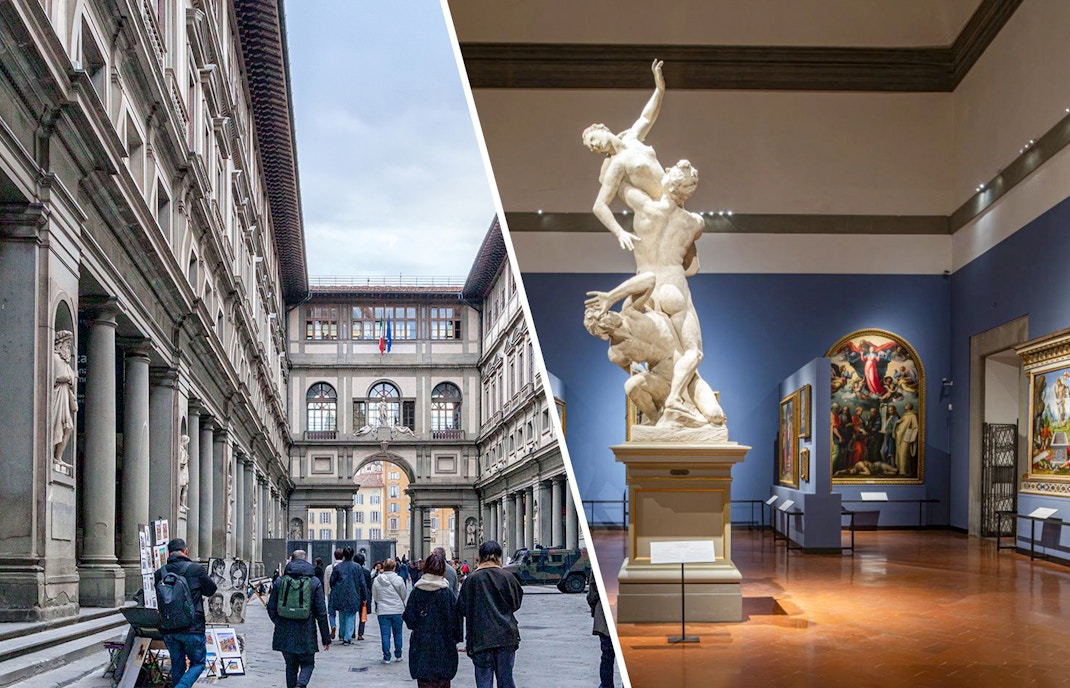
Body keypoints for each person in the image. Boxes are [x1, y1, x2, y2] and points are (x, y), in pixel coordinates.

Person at [582, 59, 666, 251]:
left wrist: (659, 89)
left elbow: (646, 117)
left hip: (673, 200)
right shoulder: (615, 165)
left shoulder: (631, 136)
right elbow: (599, 205)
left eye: (593, 139)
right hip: (657, 211)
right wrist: (620, 232)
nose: (594, 146)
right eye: (592, 147)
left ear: (603, 129)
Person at [458, 541, 523, 688]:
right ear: (499, 557)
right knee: (506, 680)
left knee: (484, 682)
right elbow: (516, 603)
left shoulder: (471, 579)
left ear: (480, 557)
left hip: (480, 638)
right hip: (506, 636)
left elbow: (462, 608)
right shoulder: (508, 577)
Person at [153, 538, 217, 688]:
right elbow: (211, 590)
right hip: (192, 627)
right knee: (198, 663)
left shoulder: (160, 573)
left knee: (177, 665)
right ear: (186, 551)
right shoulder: (196, 569)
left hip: (169, 628)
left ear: (169, 553)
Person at [267, 550, 331, 688]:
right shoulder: (314, 582)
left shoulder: (280, 581)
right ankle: (301, 684)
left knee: (290, 665)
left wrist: (279, 622)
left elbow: (271, 607)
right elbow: (321, 613)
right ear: (306, 561)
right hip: (306, 630)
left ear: (291, 560)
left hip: (285, 630)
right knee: (308, 663)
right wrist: (326, 638)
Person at [404, 552, 462, 687]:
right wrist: (456, 638)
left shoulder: (417, 592)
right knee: (443, 682)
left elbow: (409, 619)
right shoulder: (447, 593)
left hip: (422, 646)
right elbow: (456, 621)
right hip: (444, 646)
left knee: (424, 682)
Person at [372, 558, 408, 664]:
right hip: (397, 610)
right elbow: (403, 594)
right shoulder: (399, 580)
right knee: (398, 633)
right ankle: (398, 654)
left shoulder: (377, 580)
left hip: (383, 610)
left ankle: (386, 656)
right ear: (394, 567)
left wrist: (380, 602)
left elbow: (375, 596)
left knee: (385, 634)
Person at [329, 546, 367, 645]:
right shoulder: (357, 567)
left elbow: (332, 581)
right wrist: (364, 596)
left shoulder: (338, 567)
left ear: (344, 555)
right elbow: (362, 583)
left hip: (340, 594)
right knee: (351, 615)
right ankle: (347, 637)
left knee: (342, 614)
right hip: (353, 593)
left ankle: (342, 634)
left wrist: (336, 589)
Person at [587, 570, 614, 688]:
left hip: (605, 616)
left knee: (607, 655)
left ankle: (607, 685)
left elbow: (593, 591)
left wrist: (594, 607)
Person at [323, 548, 342, 639]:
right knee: (342, 613)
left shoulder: (328, 568)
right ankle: (342, 632)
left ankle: (333, 625)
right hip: (342, 593)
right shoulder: (344, 567)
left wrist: (327, 593)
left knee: (331, 613)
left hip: (331, 592)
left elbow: (326, 582)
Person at [354, 552, 373, 640]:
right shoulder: (366, 572)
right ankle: (360, 634)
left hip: (354, 594)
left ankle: (352, 632)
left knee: (352, 615)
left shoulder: (353, 572)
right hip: (363, 596)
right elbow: (369, 586)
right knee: (363, 615)